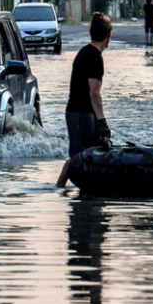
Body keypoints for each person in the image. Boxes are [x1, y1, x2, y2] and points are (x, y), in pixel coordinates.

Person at [56, 12, 113, 187]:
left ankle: (89, 193)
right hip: (80, 113)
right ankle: (59, 188)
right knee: (78, 157)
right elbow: (94, 92)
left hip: (84, 113)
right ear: (108, 35)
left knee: (92, 153)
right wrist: (103, 122)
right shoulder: (94, 57)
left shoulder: (86, 52)